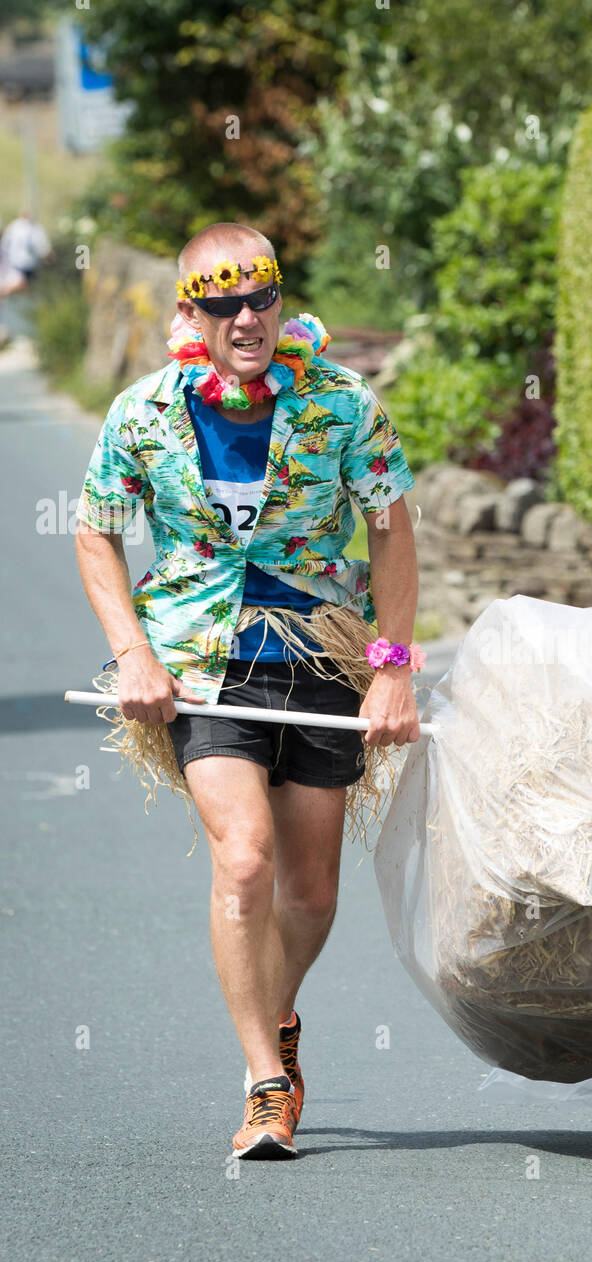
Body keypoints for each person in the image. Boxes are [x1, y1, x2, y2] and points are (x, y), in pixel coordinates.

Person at [75, 222, 422, 1161]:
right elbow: (95, 530)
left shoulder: (341, 401)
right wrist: (134, 656)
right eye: (222, 302)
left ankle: (277, 1018)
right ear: (191, 312)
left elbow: (390, 529)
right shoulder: (144, 413)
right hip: (204, 659)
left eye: (261, 295)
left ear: (280, 296)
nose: (246, 318)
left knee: (309, 891)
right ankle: (267, 1084)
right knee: (244, 862)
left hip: (320, 648)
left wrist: (391, 664)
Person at [0, 209, 52, 295]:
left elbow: (18, 281)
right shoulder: (34, 228)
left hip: (19, 268)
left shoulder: (14, 226)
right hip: (23, 267)